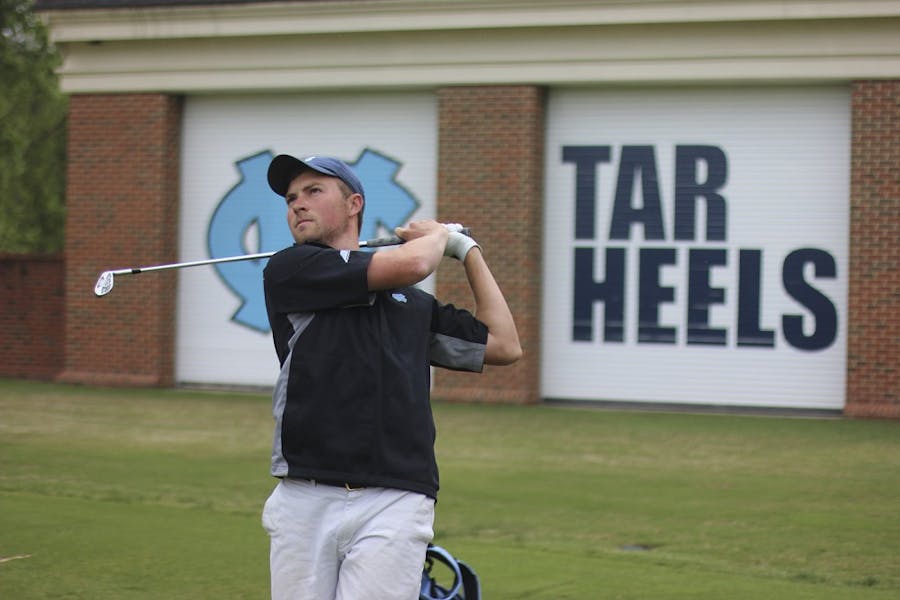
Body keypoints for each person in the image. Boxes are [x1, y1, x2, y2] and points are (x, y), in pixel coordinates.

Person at [260, 153, 522, 599]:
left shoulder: (412, 306)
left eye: (313, 192)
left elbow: (504, 345)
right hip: (306, 492)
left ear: (353, 204)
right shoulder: (292, 269)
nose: (297, 205)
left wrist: (470, 253)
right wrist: (439, 236)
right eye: (291, 198)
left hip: (397, 497)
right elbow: (415, 264)